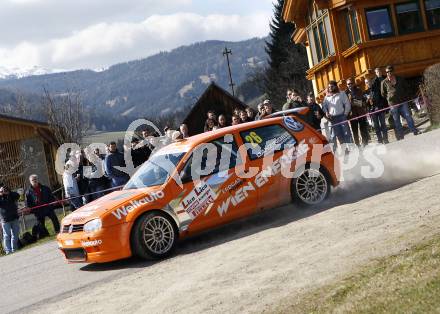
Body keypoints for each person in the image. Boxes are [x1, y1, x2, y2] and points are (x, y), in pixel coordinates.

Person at [381, 65, 420, 140]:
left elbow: (406, 87)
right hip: (393, 105)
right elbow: (383, 93)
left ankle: (414, 131)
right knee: (397, 121)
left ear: (393, 71)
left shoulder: (400, 78)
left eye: (390, 71)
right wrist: (390, 97)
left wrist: (404, 96)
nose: (389, 73)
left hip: (403, 102)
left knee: (408, 116)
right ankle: (401, 136)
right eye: (387, 72)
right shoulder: (384, 82)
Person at [322, 81, 352, 149]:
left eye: (332, 86)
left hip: (342, 116)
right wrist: (326, 112)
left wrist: (345, 114)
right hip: (333, 119)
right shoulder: (326, 97)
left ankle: (351, 148)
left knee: (346, 133)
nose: (330, 88)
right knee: (339, 135)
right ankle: (345, 149)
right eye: (329, 87)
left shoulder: (341, 93)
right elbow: (324, 107)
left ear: (335, 86)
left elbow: (347, 104)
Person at [365, 76, 389, 144]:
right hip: (372, 111)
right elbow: (365, 104)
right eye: (366, 82)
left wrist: (383, 107)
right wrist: (367, 100)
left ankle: (385, 139)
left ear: (371, 82)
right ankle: (380, 140)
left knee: (383, 124)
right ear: (365, 84)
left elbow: (382, 98)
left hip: (380, 108)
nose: (368, 83)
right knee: (376, 126)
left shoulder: (377, 89)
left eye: (369, 82)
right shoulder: (365, 92)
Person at [346, 78, 369, 146]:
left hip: (360, 112)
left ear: (353, 84)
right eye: (348, 84)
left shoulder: (358, 90)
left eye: (351, 83)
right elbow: (346, 104)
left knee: (363, 128)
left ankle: (365, 143)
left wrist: (354, 102)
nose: (350, 85)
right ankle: (357, 144)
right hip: (352, 115)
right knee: (354, 130)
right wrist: (352, 103)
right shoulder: (345, 93)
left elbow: (363, 102)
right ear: (347, 85)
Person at [0, 185, 20, 254]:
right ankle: (8, 251)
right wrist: (1, 194)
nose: (4, 191)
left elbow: (18, 195)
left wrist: (9, 192)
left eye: (5, 190)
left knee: (16, 234)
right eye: (3, 190)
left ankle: (14, 249)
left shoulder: (11, 195)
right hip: (5, 220)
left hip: (14, 217)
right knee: (6, 235)